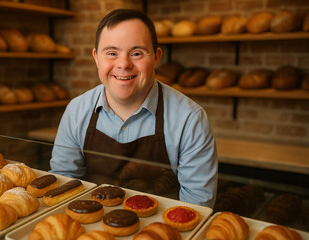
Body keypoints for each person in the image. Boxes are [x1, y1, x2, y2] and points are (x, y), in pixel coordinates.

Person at [50, 8, 218, 208]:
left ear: (156, 58)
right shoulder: (77, 110)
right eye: (111, 53)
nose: (123, 64)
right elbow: (64, 189)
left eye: (136, 53)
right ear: (96, 58)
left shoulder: (190, 119)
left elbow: (196, 208)